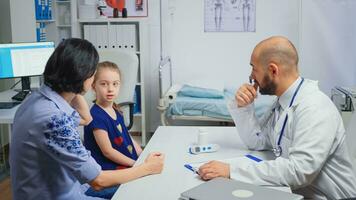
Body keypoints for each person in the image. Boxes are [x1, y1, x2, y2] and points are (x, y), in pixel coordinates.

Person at [198, 36, 356, 199]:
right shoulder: (283, 102)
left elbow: (299, 172)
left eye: (254, 68)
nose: (251, 76)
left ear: (273, 70)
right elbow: (258, 142)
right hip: (296, 193)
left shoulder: (314, 108)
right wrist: (243, 107)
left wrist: (231, 170)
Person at [10, 38, 164, 200]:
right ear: (85, 77)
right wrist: (146, 168)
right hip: (65, 194)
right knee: (144, 189)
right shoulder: (54, 119)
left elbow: (85, 118)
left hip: (70, 186)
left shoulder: (36, 98)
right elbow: (98, 181)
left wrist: (74, 87)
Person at [83, 61, 142, 198]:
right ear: (93, 86)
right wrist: (136, 165)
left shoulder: (115, 108)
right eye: (104, 84)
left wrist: (141, 153)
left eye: (115, 84)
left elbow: (126, 135)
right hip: (108, 174)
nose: (110, 89)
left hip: (125, 164)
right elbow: (108, 152)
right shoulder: (96, 116)